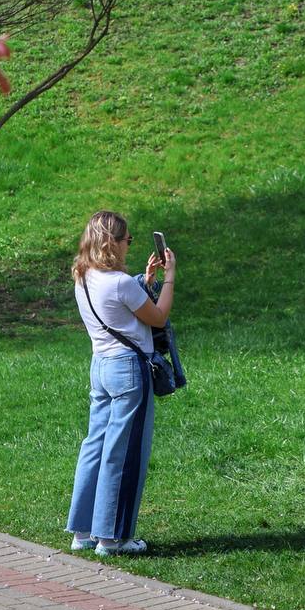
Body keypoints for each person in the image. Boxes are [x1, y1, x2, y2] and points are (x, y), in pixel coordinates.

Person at [66, 211, 177, 556]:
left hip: (100, 367)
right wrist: (169, 278)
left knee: (95, 447)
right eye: (127, 240)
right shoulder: (120, 283)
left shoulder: (83, 277)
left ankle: (83, 532)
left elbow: (121, 306)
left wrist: (144, 280)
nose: (130, 245)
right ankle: (114, 538)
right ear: (112, 243)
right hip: (129, 370)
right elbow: (158, 316)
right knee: (125, 452)